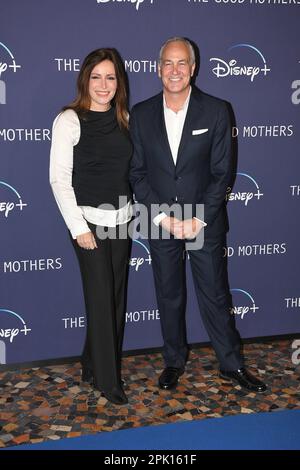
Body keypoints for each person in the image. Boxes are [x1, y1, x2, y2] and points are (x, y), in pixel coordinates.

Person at [129, 37, 267, 393]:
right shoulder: (141, 114)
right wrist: (162, 217)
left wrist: (198, 219)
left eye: (182, 63)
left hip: (202, 221)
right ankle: (174, 361)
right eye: (168, 63)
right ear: (158, 68)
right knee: (168, 294)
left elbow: (222, 173)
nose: (174, 71)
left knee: (215, 294)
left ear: (193, 68)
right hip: (160, 220)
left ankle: (231, 364)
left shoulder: (217, 109)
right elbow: (137, 174)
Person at [49, 48, 133, 405]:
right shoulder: (69, 119)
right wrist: (79, 227)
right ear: (85, 79)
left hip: (122, 220)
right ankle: (108, 381)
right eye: (96, 76)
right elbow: (59, 179)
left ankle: (90, 361)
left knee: (114, 299)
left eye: (110, 77)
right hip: (87, 224)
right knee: (100, 300)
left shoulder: (123, 117)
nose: (103, 84)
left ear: (119, 82)